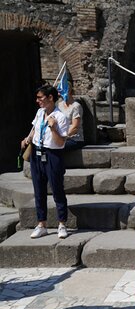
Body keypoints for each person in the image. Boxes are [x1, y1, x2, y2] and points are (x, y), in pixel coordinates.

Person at [20, 85, 69, 239]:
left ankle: (62, 223)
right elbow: (35, 128)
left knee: (57, 189)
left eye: (40, 97)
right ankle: (42, 224)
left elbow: (60, 143)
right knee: (39, 190)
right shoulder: (40, 112)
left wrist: (53, 128)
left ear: (50, 98)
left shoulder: (61, 117)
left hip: (53, 154)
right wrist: (28, 139)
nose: (37, 101)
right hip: (37, 153)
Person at [59, 80, 85, 150]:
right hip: (61, 137)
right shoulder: (59, 105)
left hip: (74, 139)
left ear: (68, 91)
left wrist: (63, 137)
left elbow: (75, 127)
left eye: (61, 90)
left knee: (56, 147)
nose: (59, 93)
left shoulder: (76, 106)